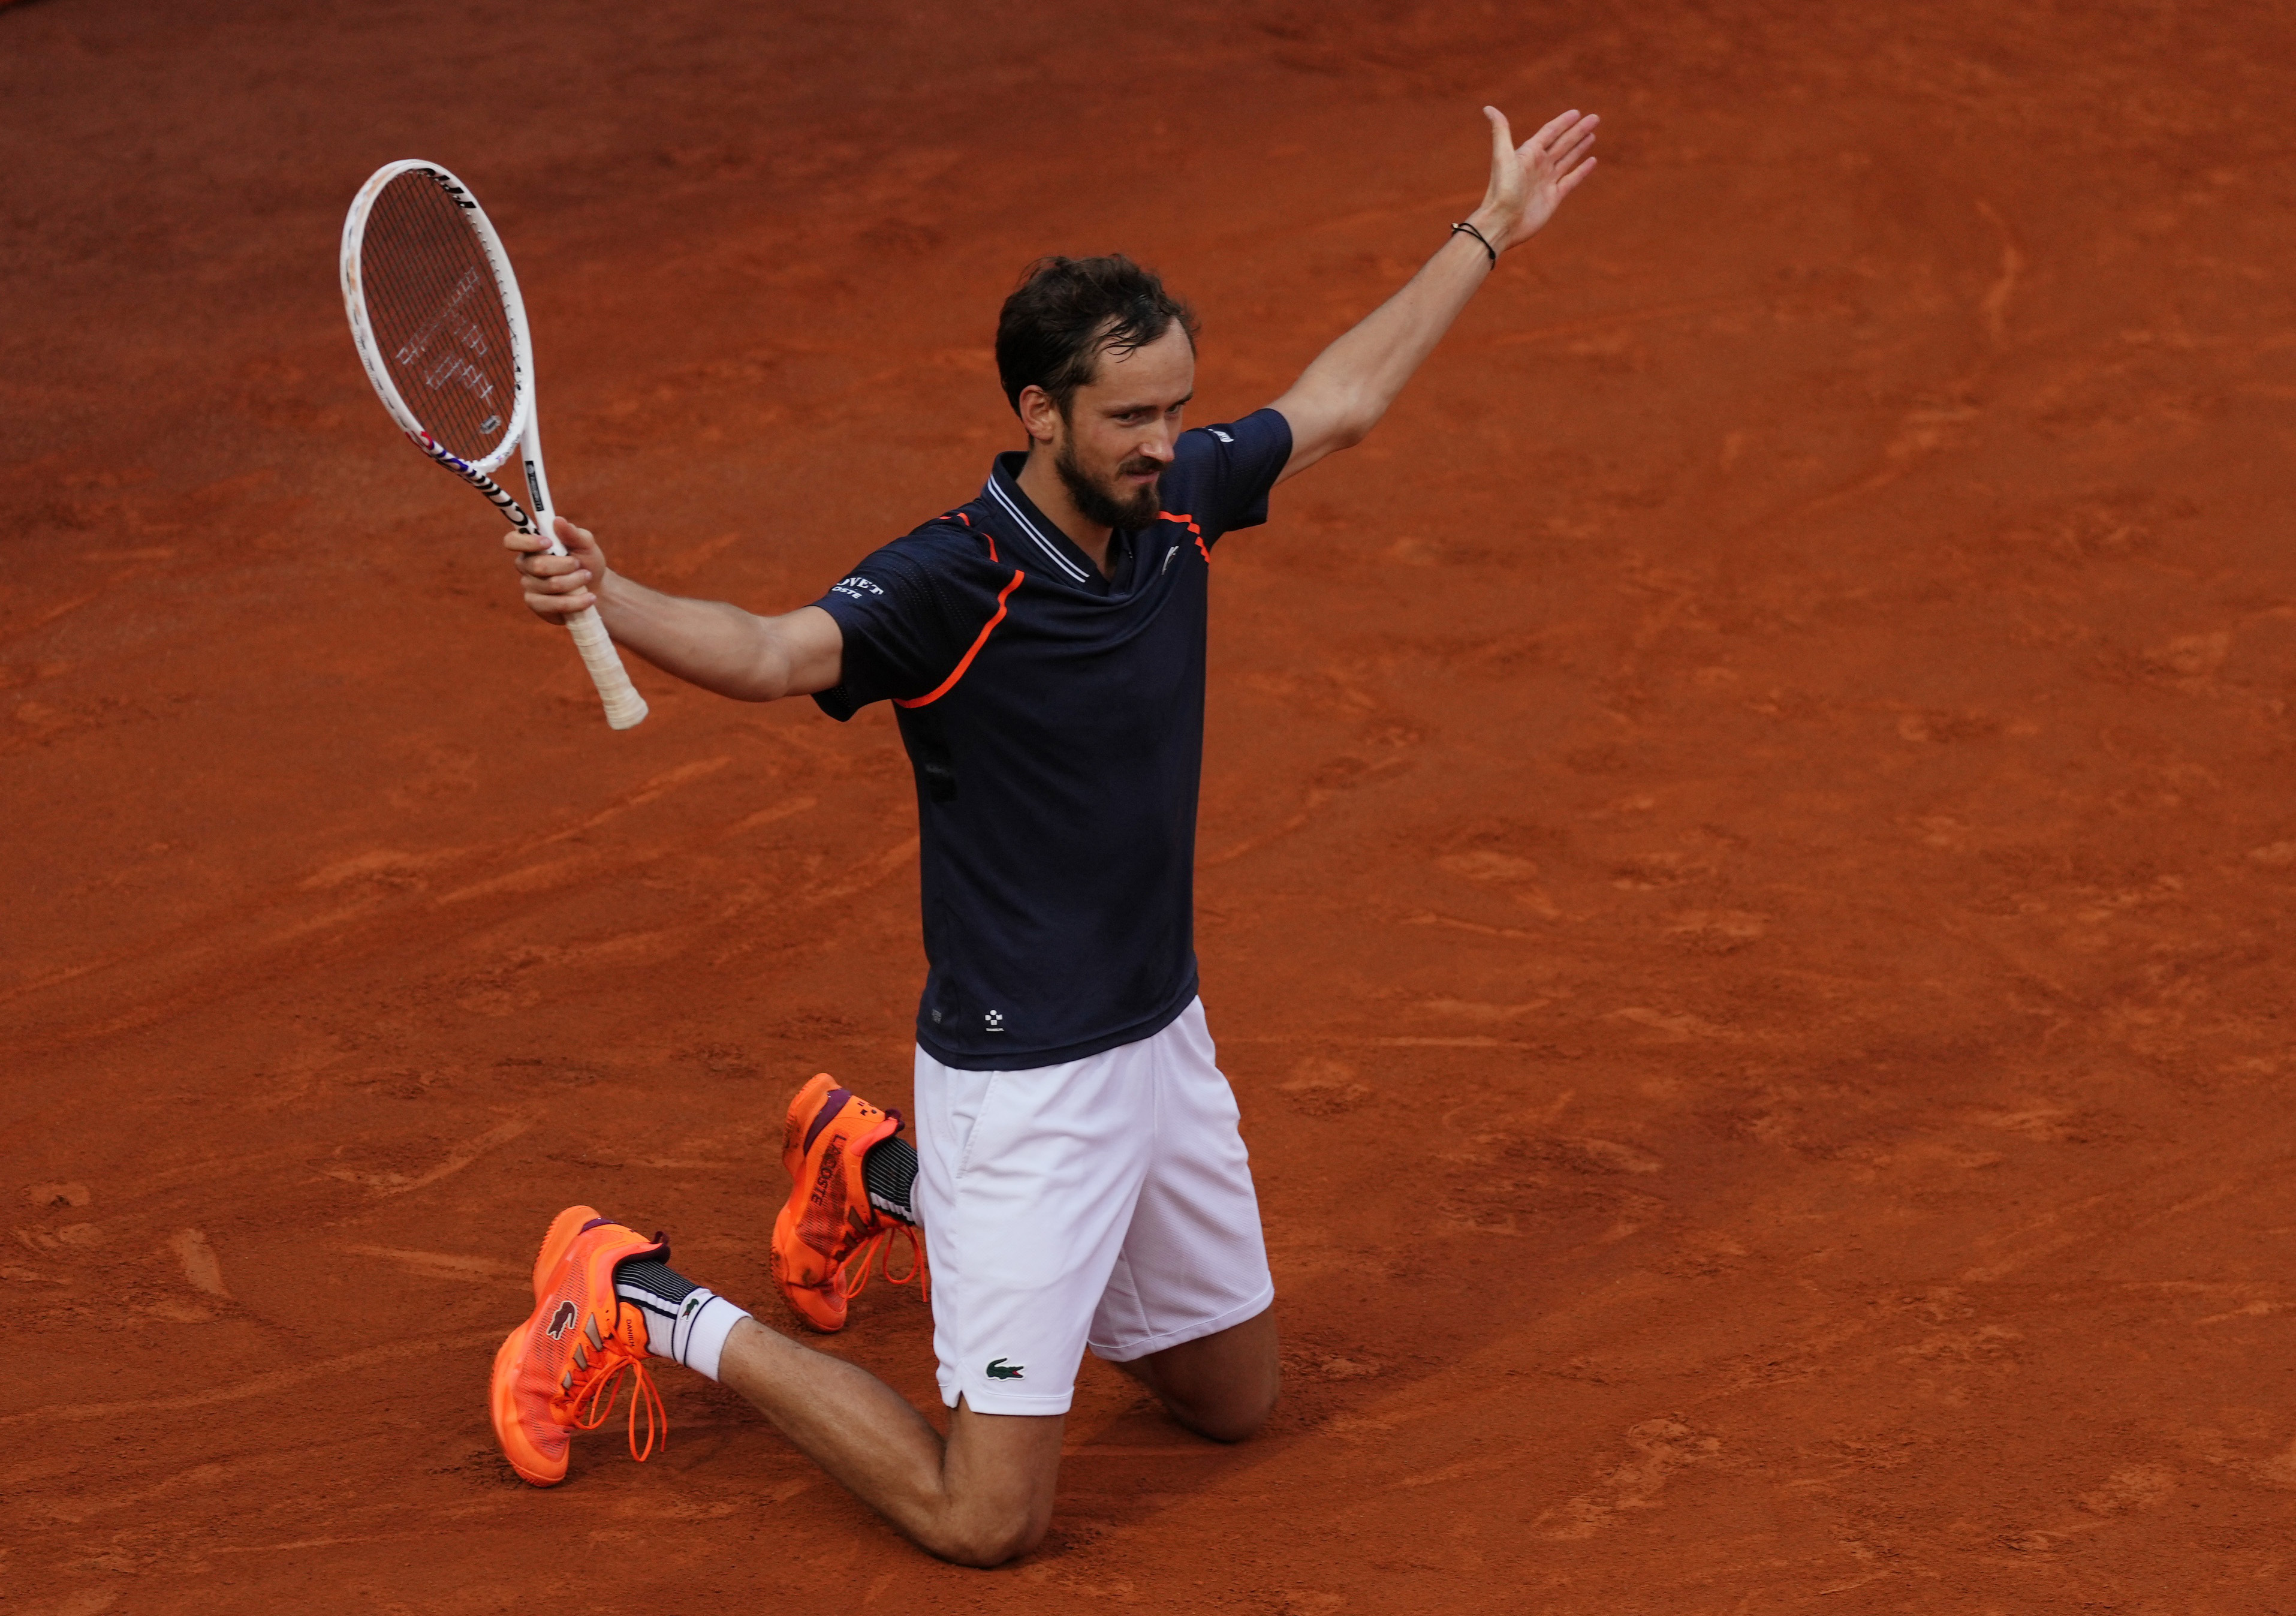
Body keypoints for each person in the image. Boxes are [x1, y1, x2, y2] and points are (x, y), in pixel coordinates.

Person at [488, 104, 1598, 1566]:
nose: (1165, 443)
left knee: (1232, 1400)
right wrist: (611, 597)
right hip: (1019, 1091)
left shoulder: (1179, 505)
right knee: (986, 1517)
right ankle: (645, 1299)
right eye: (1131, 418)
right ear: (1039, 413)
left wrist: (1487, 231)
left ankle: (870, 1181)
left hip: (1161, 1042)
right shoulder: (952, 581)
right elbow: (770, 653)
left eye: (1174, 410)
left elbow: (1338, 406)